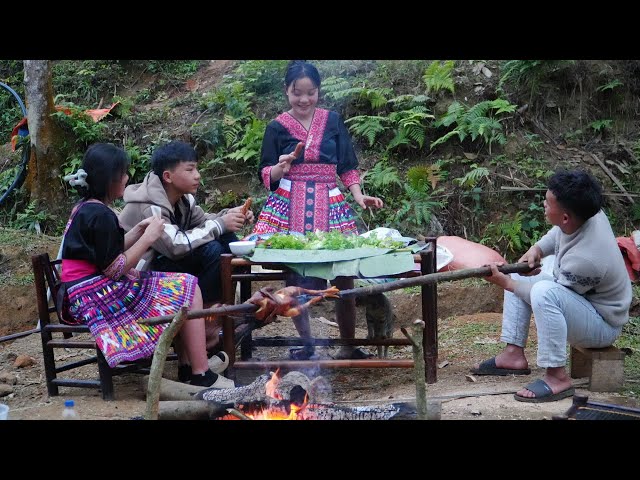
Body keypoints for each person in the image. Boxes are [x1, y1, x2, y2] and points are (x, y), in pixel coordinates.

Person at [60, 143, 234, 388]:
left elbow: (109, 251)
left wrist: (136, 233)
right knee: (188, 286)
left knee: (185, 285)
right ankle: (200, 372)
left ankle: (189, 366)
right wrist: (148, 238)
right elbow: (114, 269)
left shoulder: (87, 208)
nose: (127, 178)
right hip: (93, 294)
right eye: (122, 174)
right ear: (109, 179)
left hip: (82, 289)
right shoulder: (101, 215)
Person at [252, 60, 384, 360]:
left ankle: (348, 346)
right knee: (296, 277)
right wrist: (280, 167)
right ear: (287, 91)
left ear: (318, 91)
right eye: (297, 92)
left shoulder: (333, 121)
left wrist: (359, 196)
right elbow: (265, 175)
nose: (304, 99)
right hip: (289, 205)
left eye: (310, 93)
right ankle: (308, 345)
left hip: (330, 202)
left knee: (344, 273)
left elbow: (347, 165)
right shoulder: (275, 127)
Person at [471, 169, 632, 402]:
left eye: (547, 203)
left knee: (542, 291)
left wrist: (505, 283)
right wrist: (536, 249)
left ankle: (557, 376)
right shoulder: (588, 213)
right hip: (583, 299)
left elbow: (550, 294)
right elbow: (558, 232)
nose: (543, 205)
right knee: (521, 272)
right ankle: (513, 354)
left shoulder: (586, 261)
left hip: (602, 324)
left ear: (565, 216)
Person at [119, 140, 253, 380]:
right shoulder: (150, 206)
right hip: (137, 277)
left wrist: (229, 216)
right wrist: (219, 225)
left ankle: (215, 317)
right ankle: (208, 325)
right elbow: (175, 246)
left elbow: (204, 222)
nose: (197, 176)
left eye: (197, 169)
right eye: (190, 170)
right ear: (168, 176)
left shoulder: (183, 199)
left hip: (165, 266)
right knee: (212, 249)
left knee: (225, 240)